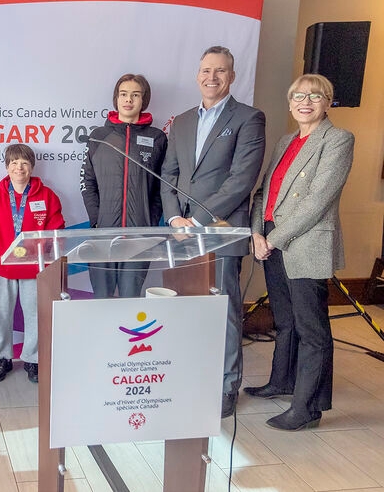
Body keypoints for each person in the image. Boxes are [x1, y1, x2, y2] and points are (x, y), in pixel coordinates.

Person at [160, 46, 266, 418]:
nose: (212, 77)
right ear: (197, 74)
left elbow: (241, 180)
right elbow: (169, 175)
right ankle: (189, 375)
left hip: (219, 231)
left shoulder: (249, 119)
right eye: (206, 70)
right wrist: (175, 219)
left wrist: (200, 220)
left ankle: (225, 385)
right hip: (180, 235)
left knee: (223, 311)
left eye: (220, 71)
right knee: (185, 309)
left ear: (232, 76)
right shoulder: (184, 120)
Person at [245, 74, 354, 431]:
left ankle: (307, 407)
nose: (305, 102)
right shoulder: (286, 140)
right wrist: (258, 234)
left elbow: (317, 201)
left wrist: (274, 239)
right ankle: (282, 381)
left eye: (315, 96)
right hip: (273, 240)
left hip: (305, 243)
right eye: (298, 96)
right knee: (285, 320)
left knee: (312, 329)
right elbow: (264, 192)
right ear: (290, 102)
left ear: (327, 102)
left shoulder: (337, 140)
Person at [0, 144, 64, 382]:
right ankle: (2, 358)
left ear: (32, 167)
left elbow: (55, 233)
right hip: (0, 267)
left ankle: (33, 360)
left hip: (34, 269)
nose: (19, 167)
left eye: (24, 162)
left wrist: (51, 264)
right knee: (0, 313)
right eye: (13, 162)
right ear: (6, 166)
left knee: (35, 314)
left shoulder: (47, 196)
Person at [80, 73, 167, 298]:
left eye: (135, 95)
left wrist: (150, 221)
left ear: (143, 100)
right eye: (124, 94)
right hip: (103, 234)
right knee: (102, 296)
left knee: (130, 295)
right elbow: (87, 181)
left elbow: (162, 185)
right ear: (116, 99)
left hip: (140, 236)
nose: (129, 100)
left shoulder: (157, 138)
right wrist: (97, 219)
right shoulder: (98, 136)